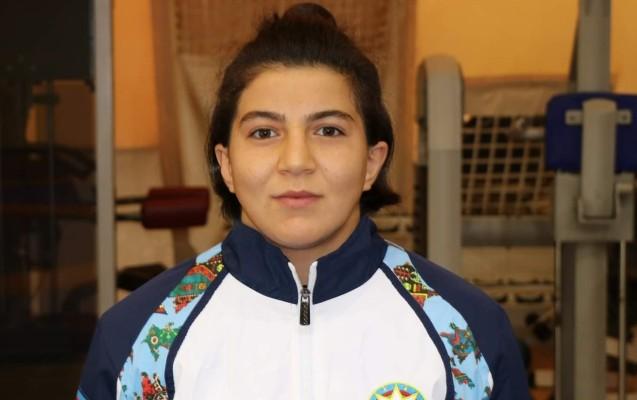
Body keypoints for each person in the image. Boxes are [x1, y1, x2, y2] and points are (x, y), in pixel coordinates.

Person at [76, 3, 530, 399]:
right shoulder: (137, 339)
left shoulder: (468, 332)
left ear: (372, 162)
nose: (296, 161)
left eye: (328, 130)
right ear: (226, 163)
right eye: (264, 132)